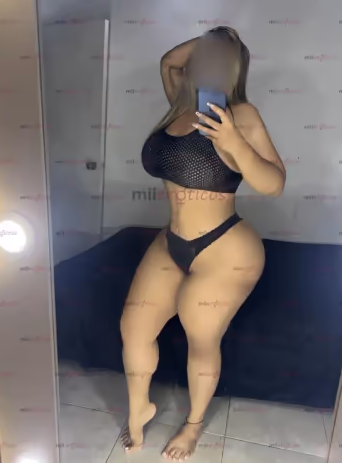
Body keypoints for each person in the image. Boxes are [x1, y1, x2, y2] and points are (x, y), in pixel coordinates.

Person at [120, 26, 286, 460]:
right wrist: (216, 36)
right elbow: (168, 61)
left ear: (233, 70)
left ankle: (192, 426)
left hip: (225, 250)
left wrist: (234, 143)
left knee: (202, 339)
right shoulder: (179, 104)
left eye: (220, 59)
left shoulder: (240, 115)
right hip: (171, 242)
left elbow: (274, 184)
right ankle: (139, 408)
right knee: (133, 328)